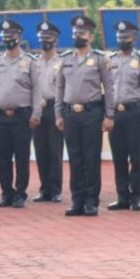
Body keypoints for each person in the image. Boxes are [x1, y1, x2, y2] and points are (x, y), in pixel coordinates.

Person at [56, 15, 115, 217]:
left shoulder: (99, 59)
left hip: (92, 113)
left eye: (82, 33)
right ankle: (77, 201)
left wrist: (109, 115)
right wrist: (58, 113)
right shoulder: (65, 58)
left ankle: (91, 201)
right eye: (75, 33)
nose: (77, 36)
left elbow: (109, 87)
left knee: (91, 158)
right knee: (74, 158)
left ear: (90, 36)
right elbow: (60, 88)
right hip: (70, 113)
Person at [0, 20, 41, 208]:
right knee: (2, 158)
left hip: (22, 116)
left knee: (21, 157)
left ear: (19, 37)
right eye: (4, 36)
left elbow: (37, 90)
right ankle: (6, 193)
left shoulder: (29, 62)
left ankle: (20, 193)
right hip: (0, 116)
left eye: (11, 36)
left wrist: (36, 113)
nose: (7, 39)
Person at [106, 21, 140, 211]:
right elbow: (107, 89)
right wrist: (107, 114)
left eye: (126, 37)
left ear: (134, 38)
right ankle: (122, 196)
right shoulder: (110, 60)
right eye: (120, 37)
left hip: (135, 112)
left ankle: (136, 196)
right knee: (118, 157)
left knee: (135, 157)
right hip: (116, 114)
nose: (122, 40)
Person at [32, 20, 65, 202]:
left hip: (54, 108)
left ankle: (55, 189)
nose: (45, 41)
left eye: (48, 38)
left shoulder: (62, 62)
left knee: (55, 150)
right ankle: (44, 188)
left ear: (56, 40)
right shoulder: (33, 63)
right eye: (42, 38)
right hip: (38, 109)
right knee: (40, 150)